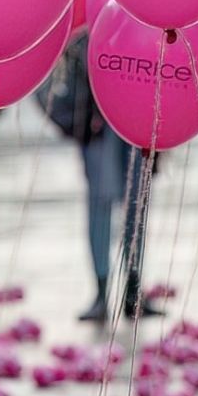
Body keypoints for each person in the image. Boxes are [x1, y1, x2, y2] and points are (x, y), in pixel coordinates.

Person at [39, 27, 161, 323]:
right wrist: (71, 121)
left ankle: (132, 289)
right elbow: (45, 82)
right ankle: (101, 291)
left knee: (136, 207)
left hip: (136, 124)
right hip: (98, 129)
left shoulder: (146, 25)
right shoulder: (82, 34)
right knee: (100, 207)